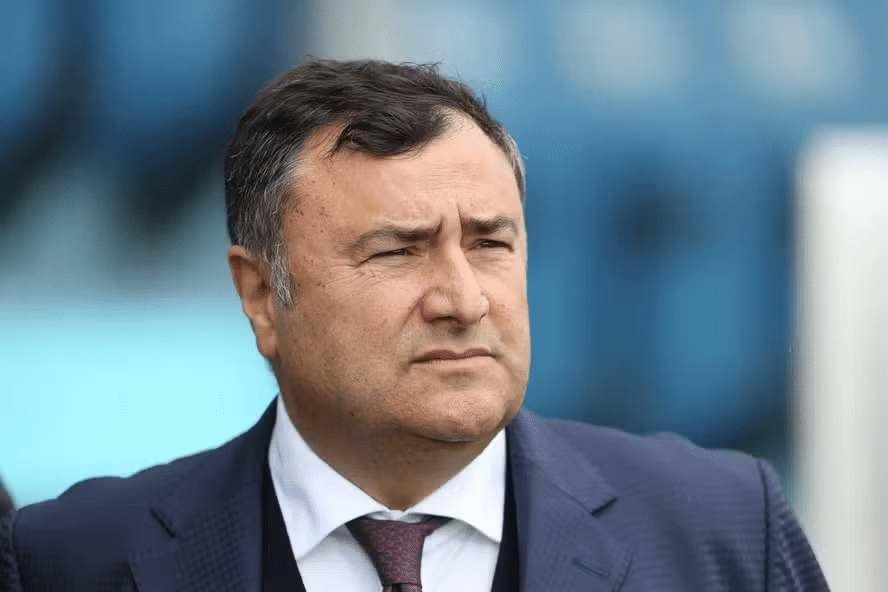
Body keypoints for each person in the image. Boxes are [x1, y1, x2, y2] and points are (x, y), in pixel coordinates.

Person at [1, 59, 828, 591]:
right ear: (259, 295)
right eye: (397, 252)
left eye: (490, 243)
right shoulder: (69, 560)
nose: (464, 300)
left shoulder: (723, 534)